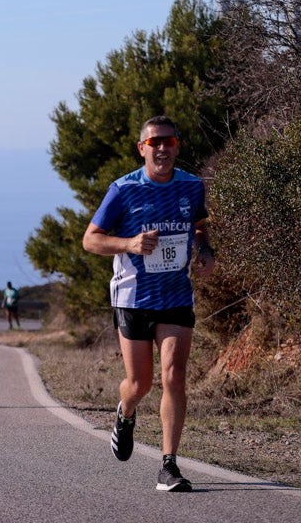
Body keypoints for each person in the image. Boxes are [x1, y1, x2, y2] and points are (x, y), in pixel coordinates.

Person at [82, 115, 215, 492]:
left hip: (175, 295)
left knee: (174, 375)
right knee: (139, 384)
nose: (161, 148)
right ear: (142, 148)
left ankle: (169, 465)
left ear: (177, 146)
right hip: (134, 298)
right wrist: (128, 244)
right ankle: (125, 413)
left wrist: (204, 251)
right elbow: (90, 240)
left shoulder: (191, 186)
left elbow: (201, 226)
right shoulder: (123, 190)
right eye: (153, 142)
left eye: (168, 141)